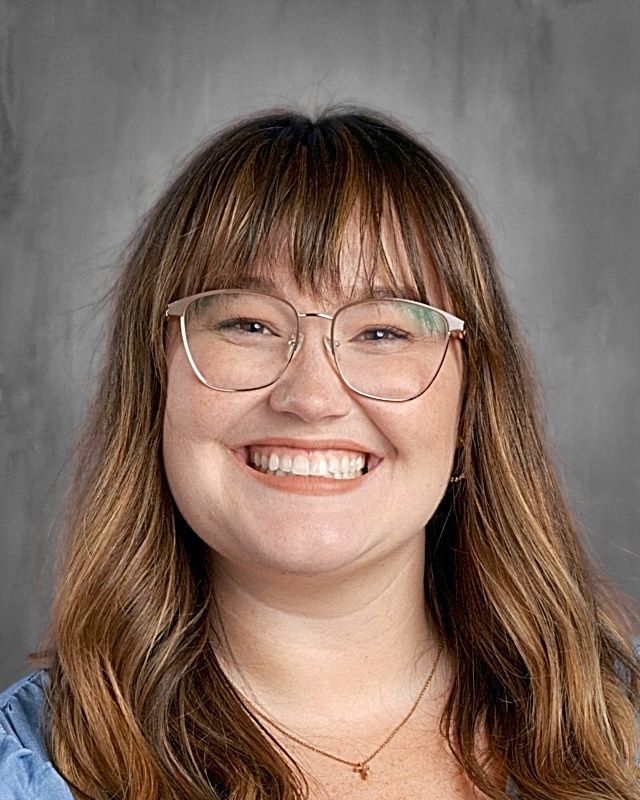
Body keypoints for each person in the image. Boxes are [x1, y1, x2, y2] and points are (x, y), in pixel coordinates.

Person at [0, 108, 638, 800]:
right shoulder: (28, 772)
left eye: (384, 332)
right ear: (157, 385)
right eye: (248, 324)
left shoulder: (623, 732)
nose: (311, 397)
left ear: (471, 407)